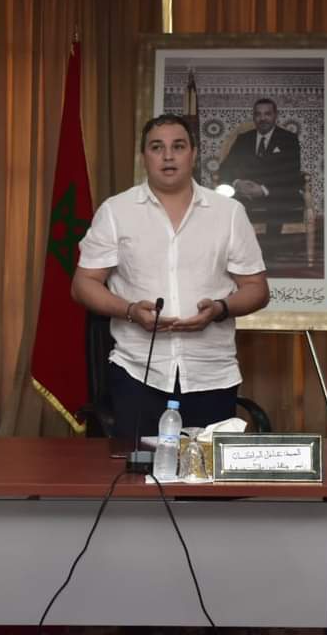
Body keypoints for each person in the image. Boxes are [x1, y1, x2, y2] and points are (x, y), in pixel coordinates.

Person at [71, 113, 270, 438]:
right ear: (144, 156)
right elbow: (83, 284)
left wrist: (220, 309)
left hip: (211, 374)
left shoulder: (229, 213)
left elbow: (257, 288)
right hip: (138, 372)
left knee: (204, 469)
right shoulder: (116, 211)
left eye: (178, 146)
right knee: (138, 469)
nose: (167, 156)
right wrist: (130, 310)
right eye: (156, 147)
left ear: (193, 154)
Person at [216, 97, 304, 240]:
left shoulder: (288, 139)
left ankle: (270, 247)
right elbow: (225, 167)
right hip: (245, 192)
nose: (262, 118)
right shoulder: (243, 139)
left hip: (274, 192)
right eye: (258, 114)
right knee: (227, 199)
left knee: (279, 201)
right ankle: (235, 245)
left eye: (267, 114)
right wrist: (237, 183)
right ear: (254, 117)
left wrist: (263, 189)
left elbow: (291, 172)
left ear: (275, 116)